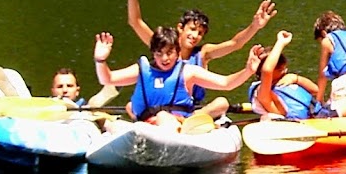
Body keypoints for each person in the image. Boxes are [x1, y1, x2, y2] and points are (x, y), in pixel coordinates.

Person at [124, 0, 277, 118]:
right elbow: (135, 22)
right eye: (192, 29)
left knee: (221, 103)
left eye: (200, 33)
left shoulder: (203, 53)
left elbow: (234, 43)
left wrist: (255, 26)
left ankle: (188, 123)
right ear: (180, 27)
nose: (195, 36)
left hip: (189, 110)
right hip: (159, 110)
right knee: (130, 105)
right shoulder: (162, 45)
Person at [93, 28, 261, 129]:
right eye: (159, 54)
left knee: (163, 117)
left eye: (169, 53)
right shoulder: (142, 70)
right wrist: (100, 60)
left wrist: (247, 70)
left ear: (177, 52)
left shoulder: (188, 71)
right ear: (153, 53)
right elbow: (107, 79)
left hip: (176, 124)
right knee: (127, 114)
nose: (164, 58)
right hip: (147, 125)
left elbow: (226, 83)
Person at [249, 30, 346, 120]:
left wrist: (297, 79)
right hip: (320, 118)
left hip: (319, 113)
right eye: (281, 69)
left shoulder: (284, 82)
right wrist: (280, 43)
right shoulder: (262, 92)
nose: (285, 71)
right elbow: (267, 71)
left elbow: (316, 90)